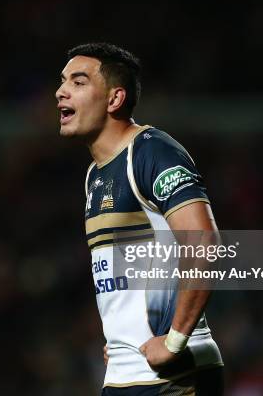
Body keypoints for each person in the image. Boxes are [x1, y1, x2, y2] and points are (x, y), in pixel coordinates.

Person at [56, 43, 224, 395]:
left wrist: (175, 340)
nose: (61, 91)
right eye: (62, 81)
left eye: (79, 81)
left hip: (172, 378)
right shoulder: (95, 176)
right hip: (127, 374)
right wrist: (123, 338)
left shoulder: (152, 152)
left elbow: (204, 243)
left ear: (115, 99)